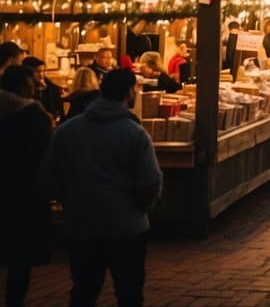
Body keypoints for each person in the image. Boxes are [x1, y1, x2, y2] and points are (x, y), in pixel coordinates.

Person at [40, 68, 163, 307]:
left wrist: (68, 200)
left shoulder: (68, 130)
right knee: (129, 292)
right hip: (127, 227)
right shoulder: (135, 133)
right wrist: (140, 207)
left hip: (81, 224)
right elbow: (150, 181)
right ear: (129, 92)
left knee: (83, 290)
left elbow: (48, 175)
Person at [2, 65, 53, 307]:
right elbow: (45, 155)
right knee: (19, 260)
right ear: (25, 86)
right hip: (23, 193)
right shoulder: (32, 115)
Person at [23, 55, 65, 120]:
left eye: (43, 71)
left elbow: (58, 112)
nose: (41, 75)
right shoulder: (23, 88)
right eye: (37, 71)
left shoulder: (52, 88)